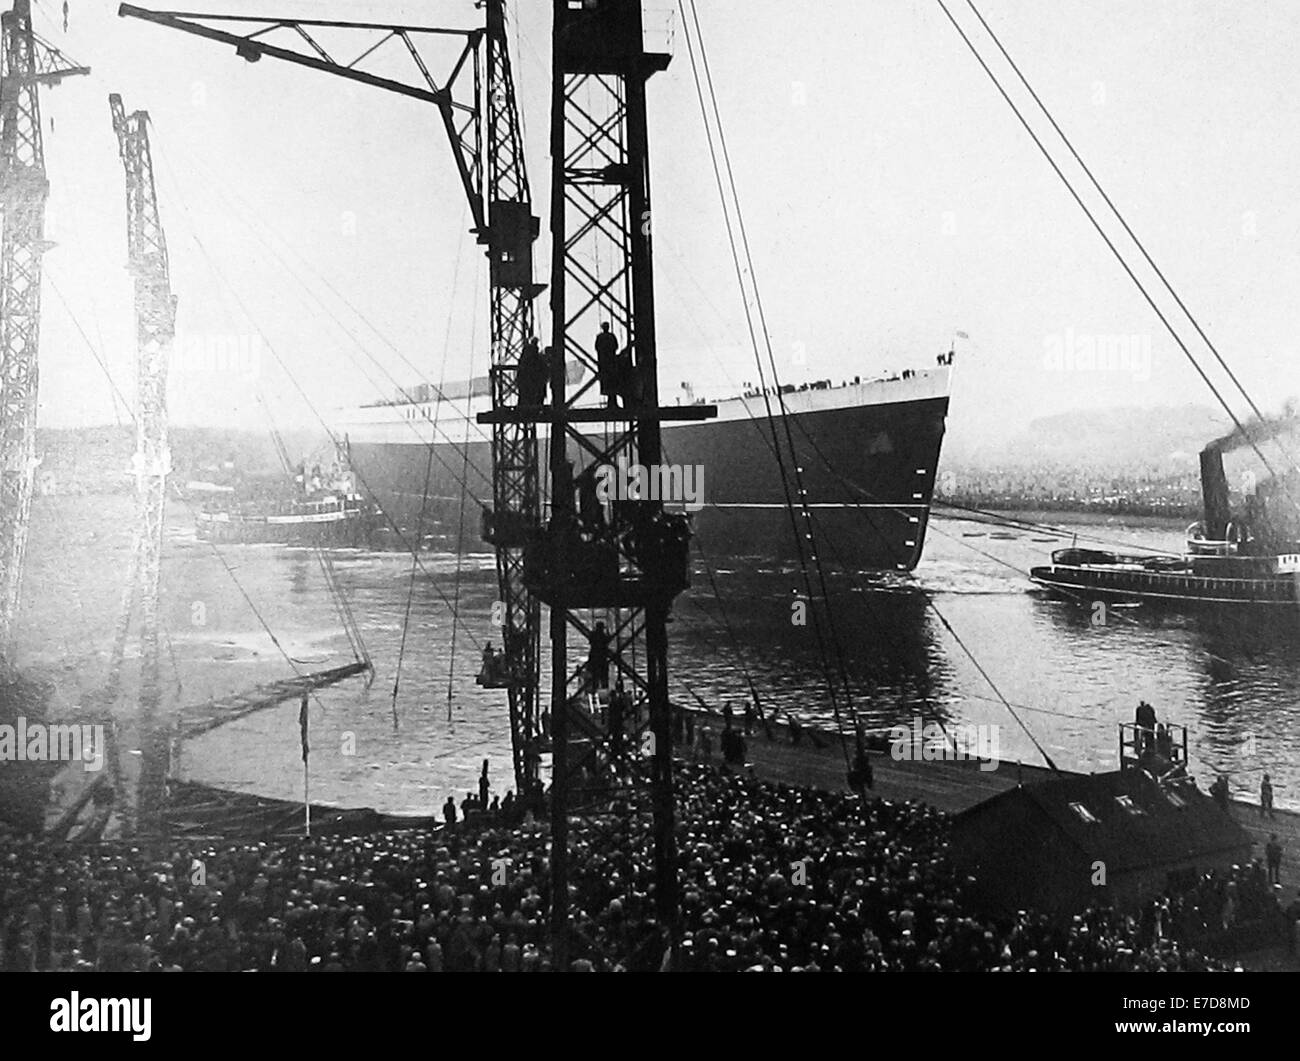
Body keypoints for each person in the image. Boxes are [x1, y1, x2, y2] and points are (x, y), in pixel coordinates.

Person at [517, 336, 547, 406]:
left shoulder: (527, 354)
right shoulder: (536, 357)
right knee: (535, 398)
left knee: (526, 397)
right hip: (534, 381)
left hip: (527, 381)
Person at [595, 323, 620, 408]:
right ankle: (613, 402)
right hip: (611, 362)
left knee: (607, 382)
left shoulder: (600, 337)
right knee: (612, 382)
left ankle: (611, 402)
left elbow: (597, 348)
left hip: (603, 363)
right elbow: (616, 346)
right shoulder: (611, 336)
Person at [586, 621, 611, 691]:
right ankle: (604, 688)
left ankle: (595, 688)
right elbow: (608, 640)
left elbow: (590, 640)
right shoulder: (603, 636)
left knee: (594, 675)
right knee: (604, 675)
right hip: (602, 657)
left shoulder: (593, 635)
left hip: (594, 657)